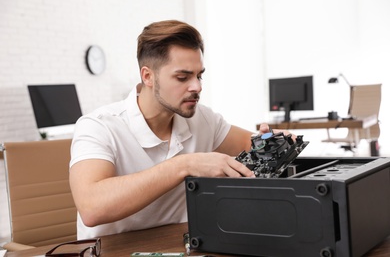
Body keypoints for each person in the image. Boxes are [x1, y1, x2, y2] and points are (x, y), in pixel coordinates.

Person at [69, 19, 289, 239]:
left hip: (182, 245)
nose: (197, 87)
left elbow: (250, 145)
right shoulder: (98, 126)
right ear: (148, 76)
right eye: (182, 77)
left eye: (199, 75)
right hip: (112, 251)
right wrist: (185, 165)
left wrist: (271, 141)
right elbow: (91, 207)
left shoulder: (203, 118)